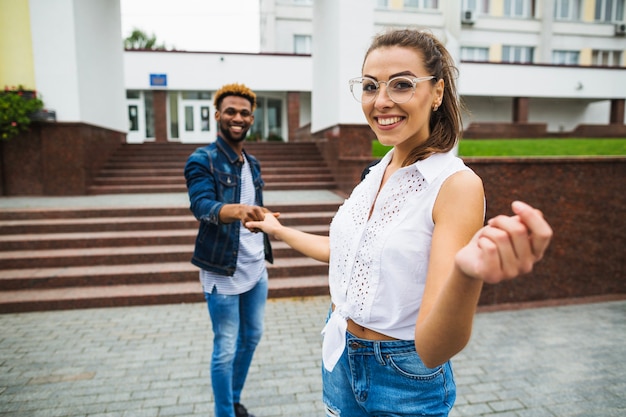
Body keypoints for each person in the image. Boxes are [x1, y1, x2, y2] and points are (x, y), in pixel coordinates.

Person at [245, 29, 553, 416]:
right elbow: (344, 253)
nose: (382, 101)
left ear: (437, 92)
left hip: (403, 376)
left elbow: (434, 348)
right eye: (371, 86)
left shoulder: (454, 185)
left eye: (402, 84)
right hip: (341, 355)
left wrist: (468, 273)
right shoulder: (374, 173)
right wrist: (277, 229)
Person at [184, 83, 273, 417]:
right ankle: (225, 413)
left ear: (252, 118)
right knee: (225, 347)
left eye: (245, 113)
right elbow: (202, 205)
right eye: (231, 111)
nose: (238, 118)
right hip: (221, 268)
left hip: (254, 267)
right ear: (218, 114)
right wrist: (238, 210)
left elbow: (253, 208)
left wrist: (262, 218)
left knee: (251, 338)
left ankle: (233, 399)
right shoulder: (201, 159)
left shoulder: (253, 162)